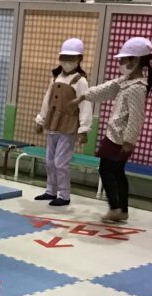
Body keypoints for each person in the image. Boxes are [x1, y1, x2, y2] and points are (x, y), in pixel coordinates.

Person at [72, 36, 152, 223]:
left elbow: (136, 116)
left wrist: (129, 141)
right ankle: (121, 210)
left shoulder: (136, 88)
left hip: (118, 137)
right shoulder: (125, 81)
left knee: (106, 170)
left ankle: (116, 208)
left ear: (135, 61)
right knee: (117, 172)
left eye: (123, 60)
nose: (120, 63)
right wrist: (84, 96)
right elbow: (106, 89)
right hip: (116, 135)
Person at [34, 38, 91, 207]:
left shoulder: (80, 81)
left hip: (68, 125)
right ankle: (50, 190)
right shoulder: (56, 77)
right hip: (53, 123)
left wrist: (84, 129)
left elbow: (85, 105)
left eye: (71, 58)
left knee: (61, 162)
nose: (66, 61)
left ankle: (64, 195)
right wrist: (40, 119)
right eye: (64, 57)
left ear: (79, 59)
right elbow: (47, 100)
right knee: (50, 160)